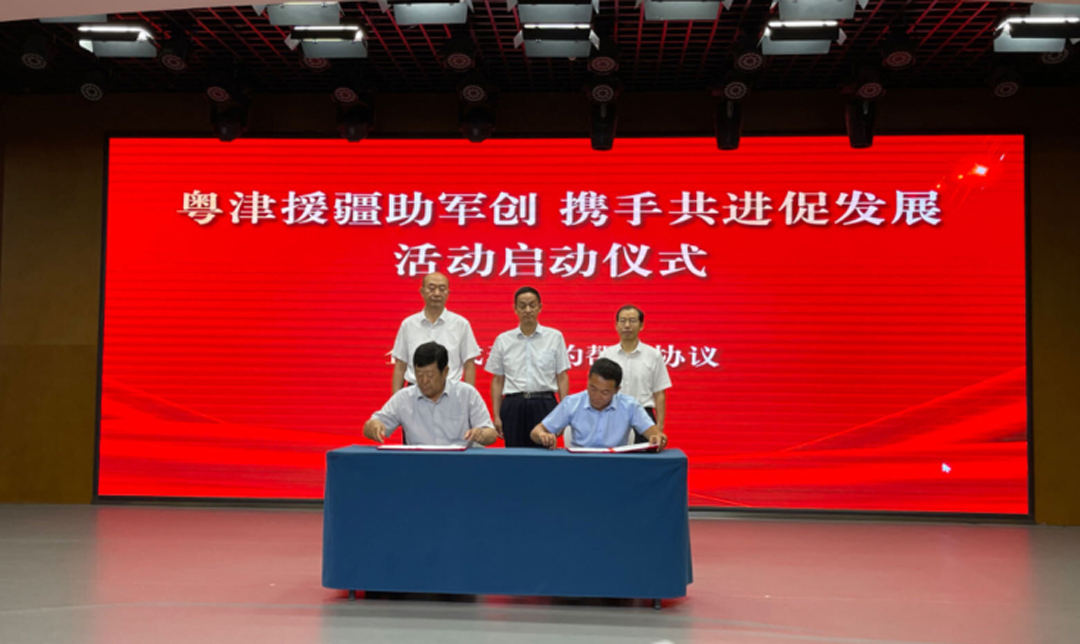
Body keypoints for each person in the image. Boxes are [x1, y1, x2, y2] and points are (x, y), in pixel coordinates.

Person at [364, 342, 496, 447]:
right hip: (419, 464)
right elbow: (372, 425)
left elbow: (491, 434)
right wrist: (373, 426)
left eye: (430, 375)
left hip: (460, 463)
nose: (424, 381)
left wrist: (481, 434)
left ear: (445, 372)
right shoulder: (404, 398)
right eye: (419, 374)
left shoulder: (467, 394)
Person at [485, 286, 571, 448]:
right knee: (514, 456)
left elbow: (562, 376)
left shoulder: (555, 337)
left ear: (540, 307)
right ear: (515, 309)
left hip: (544, 404)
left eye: (532, 305)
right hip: (513, 405)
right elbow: (497, 380)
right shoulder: (503, 340)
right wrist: (496, 415)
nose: (527, 310)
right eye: (522, 306)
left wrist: (563, 413)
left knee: (545, 455)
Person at [530, 358, 668, 450]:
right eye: (593, 388)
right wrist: (543, 436)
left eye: (605, 392)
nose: (596, 396)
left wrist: (657, 438)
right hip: (579, 465)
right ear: (588, 381)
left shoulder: (630, 406)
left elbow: (656, 434)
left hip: (616, 466)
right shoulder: (572, 403)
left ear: (617, 390)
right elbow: (536, 432)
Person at [391, 272, 481, 393]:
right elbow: (400, 366)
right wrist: (396, 399)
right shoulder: (408, 324)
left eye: (442, 289)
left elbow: (469, 365)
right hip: (415, 391)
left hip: (450, 390)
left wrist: (468, 397)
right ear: (422, 291)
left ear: (448, 293)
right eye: (432, 288)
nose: (437, 293)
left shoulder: (461, 324)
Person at [599, 305, 672, 444]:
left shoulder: (653, 355)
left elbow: (659, 393)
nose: (627, 325)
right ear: (616, 325)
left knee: (644, 455)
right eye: (623, 321)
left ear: (641, 325)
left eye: (632, 321)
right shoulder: (606, 355)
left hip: (644, 416)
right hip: (613, 415)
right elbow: (598, 391)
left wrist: (659, 427)